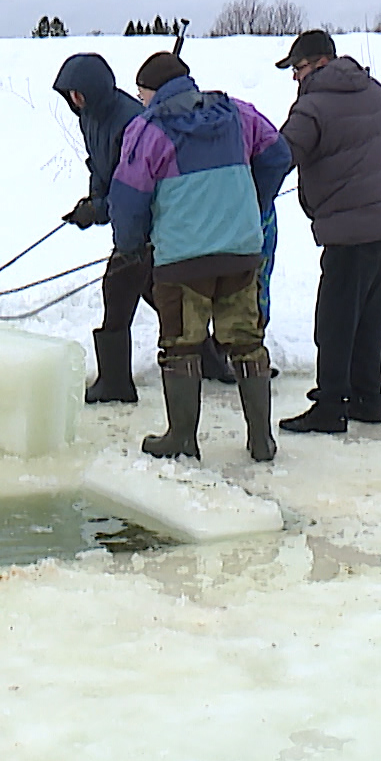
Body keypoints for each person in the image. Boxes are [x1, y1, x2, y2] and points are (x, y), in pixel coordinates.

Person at [109, 52, 291, 462]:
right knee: (246, 342)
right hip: (242, 252)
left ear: (152, 92)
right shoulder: (237, 114)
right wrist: (252, 203)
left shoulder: (148, 129)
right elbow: (279, 155)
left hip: (182, 259)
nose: (140, 102)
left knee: (181, 345)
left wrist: (132, 246)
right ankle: (261, 440)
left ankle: (181, 438)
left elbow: (128, 198)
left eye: (141, 94)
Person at [272, 30, 381, 435]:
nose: (295, 78)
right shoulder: (371, 87)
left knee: (335, 321)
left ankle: (330, 407)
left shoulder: (312, 104)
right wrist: (364, 150)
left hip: (348, 229)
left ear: (318, 63)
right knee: (371, 317)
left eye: (297, 68)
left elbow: (282, 155)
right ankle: (369, 400)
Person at [52, 53, 157, 403]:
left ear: (90, 91)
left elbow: (136, 185)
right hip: (128, 219)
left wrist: (100, 209)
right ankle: (208, 358)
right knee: (158, 291)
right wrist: (93, 198)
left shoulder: (131, 120)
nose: (72, 100)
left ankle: (114, 383)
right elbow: (99, 165)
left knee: (120, 288)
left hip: (148, 221)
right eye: (68, 94)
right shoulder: (90, 117)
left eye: (75, 92)